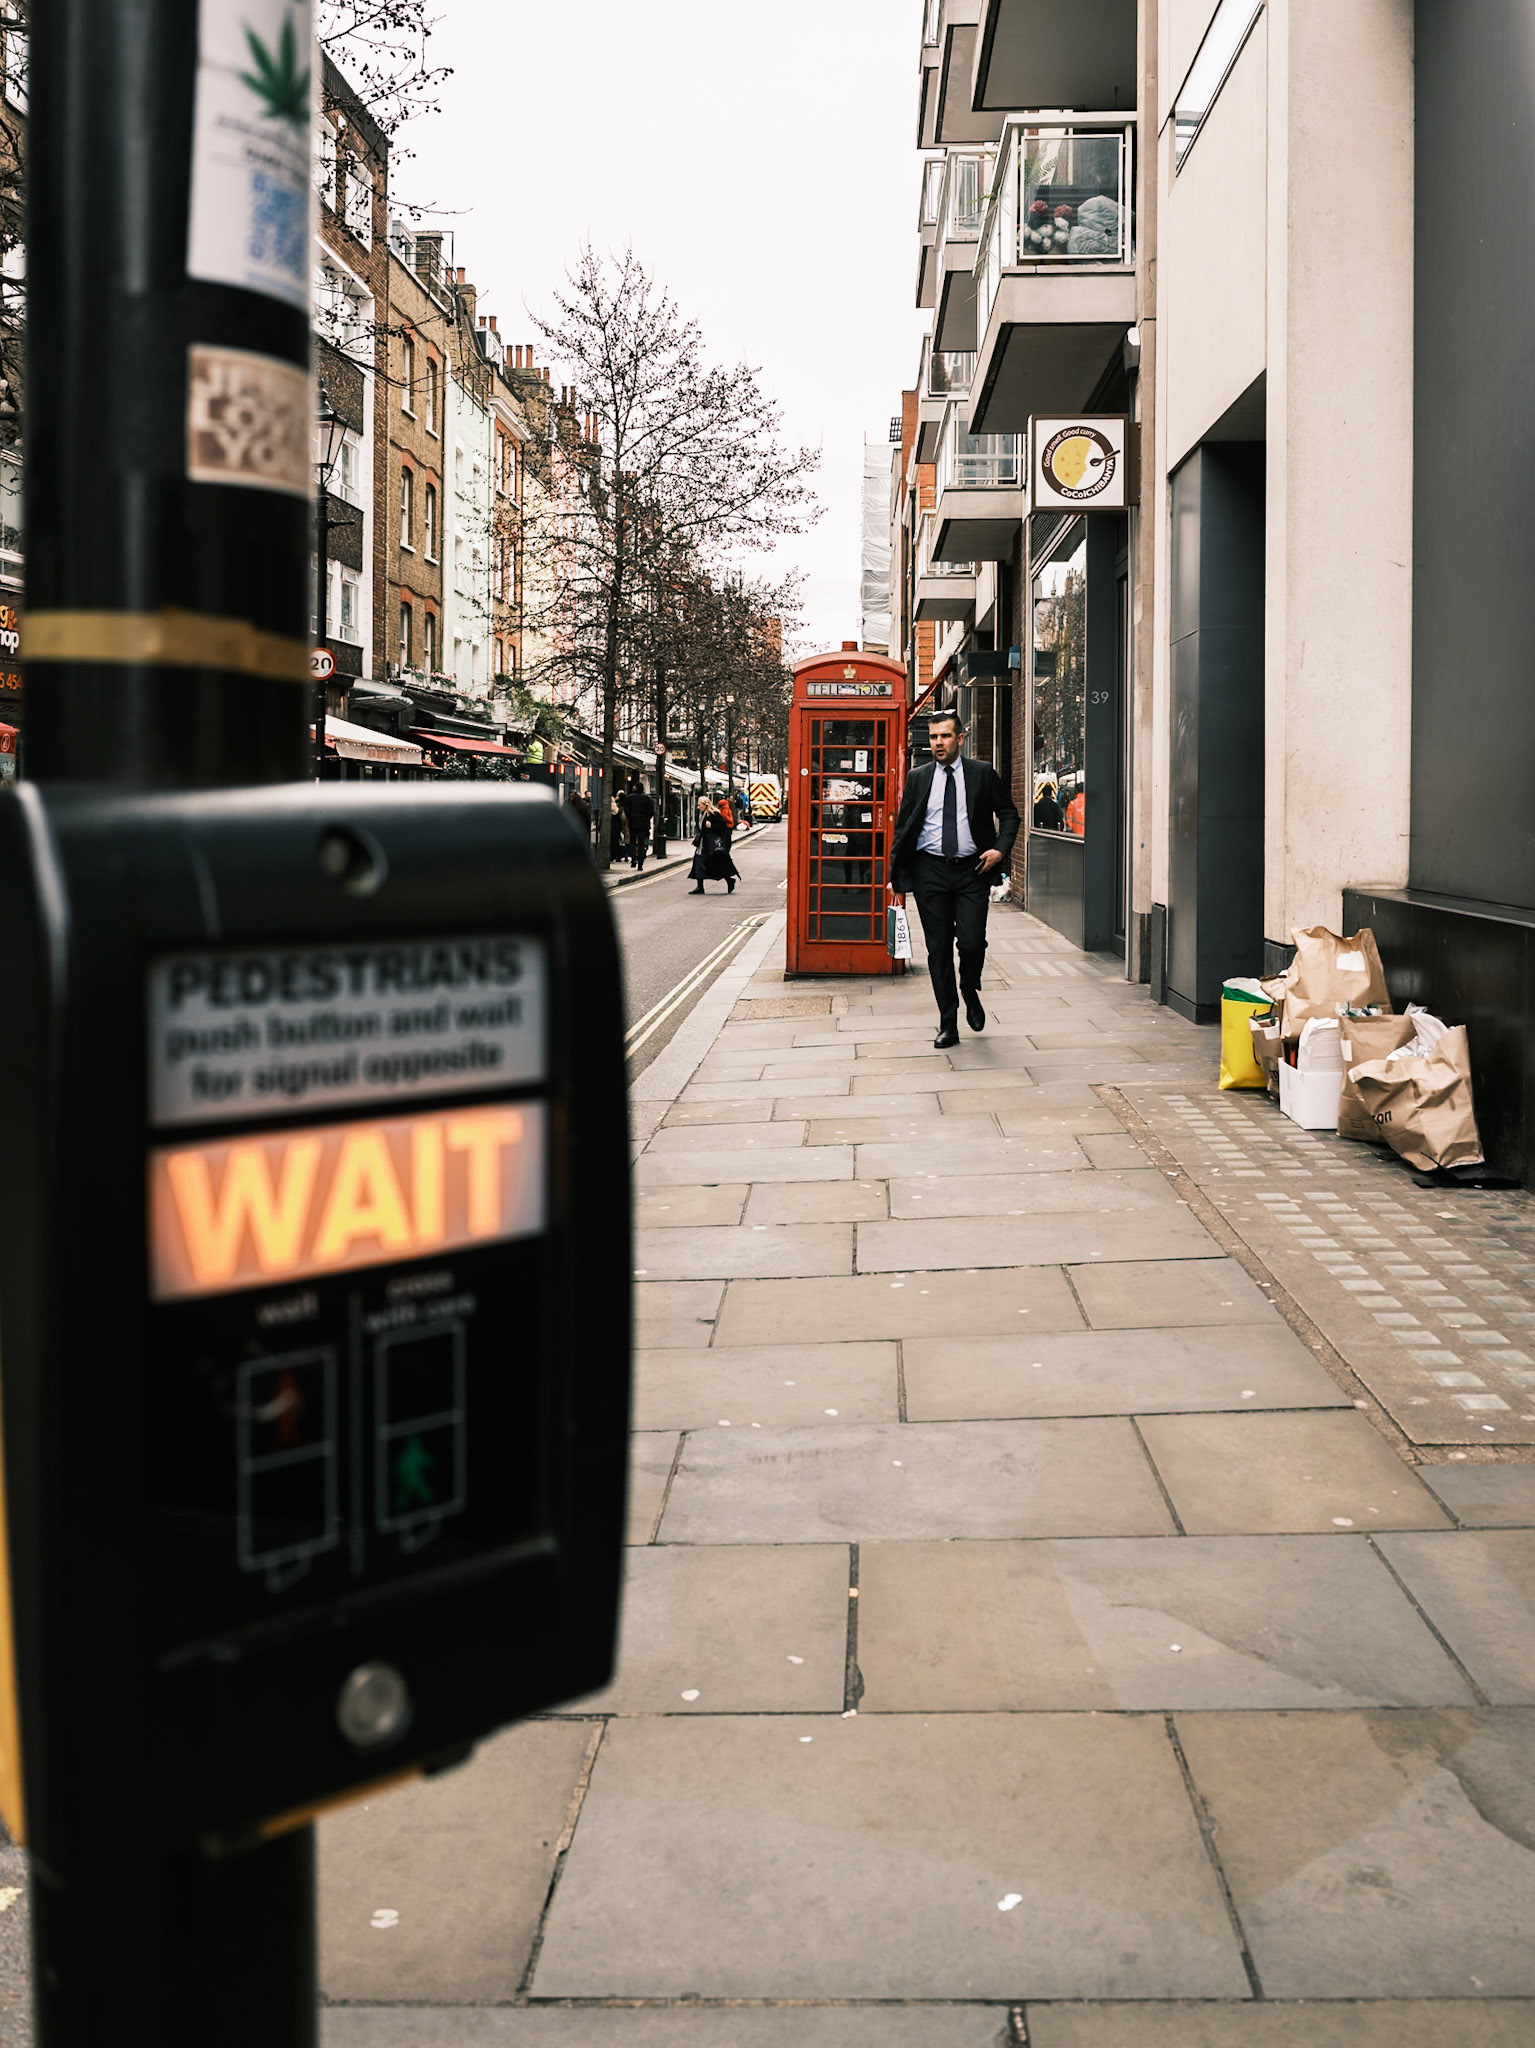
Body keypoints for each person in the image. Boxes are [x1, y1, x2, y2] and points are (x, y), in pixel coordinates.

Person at [889, 709, 1020, 1048]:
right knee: (938, 950)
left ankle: (969, 987)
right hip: (930, 870)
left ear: (960, 738)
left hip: (972, 870)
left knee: (972, 942)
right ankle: (948, 1023)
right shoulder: (918, 778)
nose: (938, 742)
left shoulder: (981, 774)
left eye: (945, 736)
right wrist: (895, 874)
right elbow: (903, 828)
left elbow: (1009, 815)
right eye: (933, 737)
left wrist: (1000, 851)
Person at [688, 795, 739, 895]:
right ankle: (700, 887)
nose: (698, 807)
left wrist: (712, 826)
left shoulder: (714, 814)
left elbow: (723, 827)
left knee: (716, 865)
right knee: (698, 862)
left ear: (705, 804)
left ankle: (729, 880)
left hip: (711, 845)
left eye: (699, 805)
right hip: (703, 844)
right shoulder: (702, 814)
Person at [621, 775, 655, 871]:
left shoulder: (630, 798)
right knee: (641, 843)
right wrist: (646, 818)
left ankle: (633, 860)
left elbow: (626, 810)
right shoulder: (648, 799)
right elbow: (651, 812)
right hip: (644, 823)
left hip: (632, 823)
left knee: (632, 842)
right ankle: (640, 863)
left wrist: (630, 817)